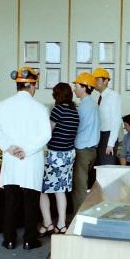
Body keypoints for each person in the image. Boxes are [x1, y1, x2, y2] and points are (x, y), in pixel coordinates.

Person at [0, 67, 51, 250]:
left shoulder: (3, 104)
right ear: (32, 86)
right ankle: (29, 240)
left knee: (11, 202)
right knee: (31, 201)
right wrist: (27, 151)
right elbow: (46, 135)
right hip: (30, 161)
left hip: (11, 160)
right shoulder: (40, 107)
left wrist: (9, 147)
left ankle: (8, 239)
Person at [39, 83, 79, 236]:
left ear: (57, 95)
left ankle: (48, 223)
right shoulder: (74, 111)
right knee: (60, 190)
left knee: (42, 189)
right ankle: (61, 224)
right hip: (68, 154)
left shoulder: (58, 109)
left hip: (55, 156)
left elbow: (48, 132)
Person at [72, 72, 100, 214]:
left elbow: (76, 128)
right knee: (85, 185)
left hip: (82, 151)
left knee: (80, 187)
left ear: (84, 87)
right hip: (92, 151)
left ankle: (79, 219)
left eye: (76, 85)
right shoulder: (93, 105)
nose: (74, 89)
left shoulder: (83, 107)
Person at [92, 68, 122, 165]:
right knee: (100, 167)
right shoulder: (101, 97)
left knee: (107, 167)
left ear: (105, 81)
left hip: (108, 136)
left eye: (97, 80)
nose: (94, 82)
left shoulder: (113, 96)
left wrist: (110, 144)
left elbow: (116, 121)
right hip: (101, 136)